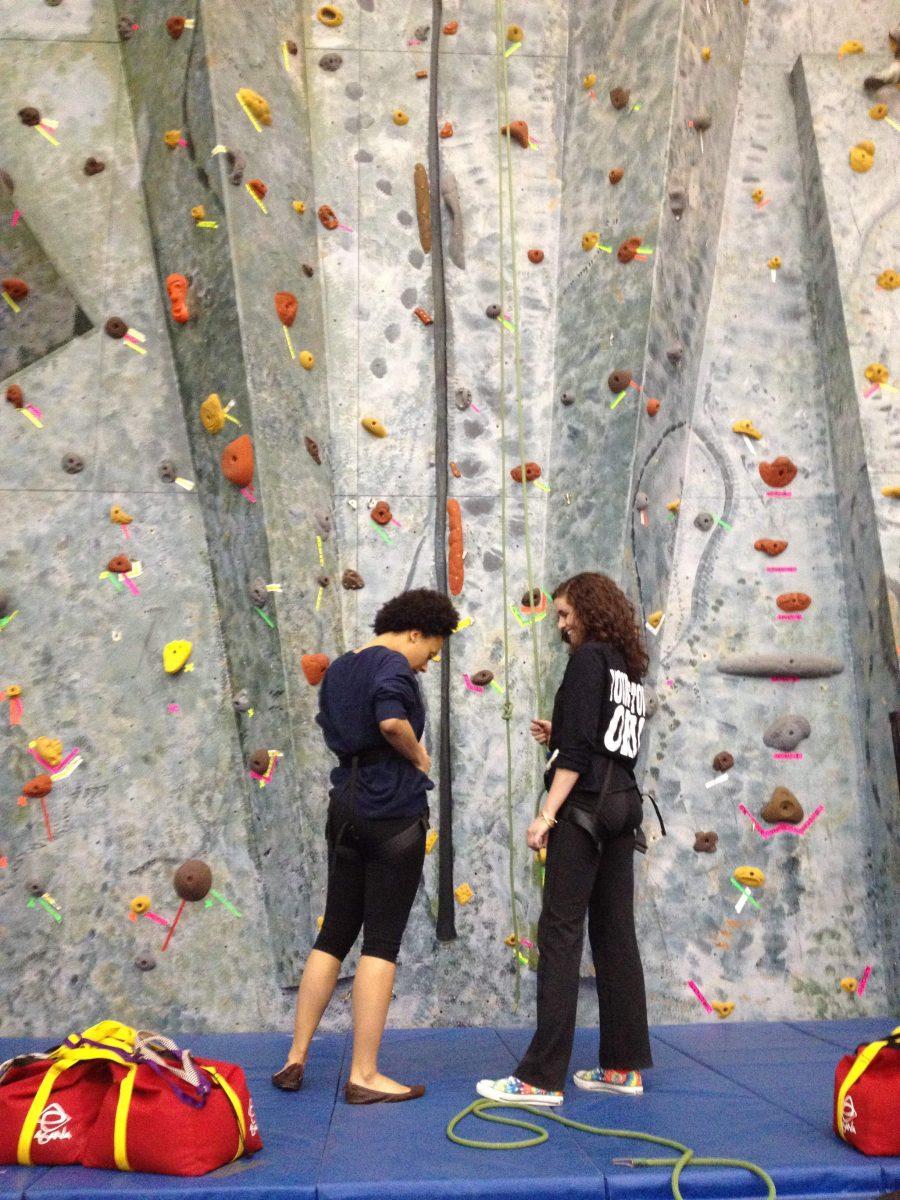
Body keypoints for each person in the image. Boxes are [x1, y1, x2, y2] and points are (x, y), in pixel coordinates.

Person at [272, 587, 459, 1104]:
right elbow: (391, 721)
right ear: (416, 633)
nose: (429, 663)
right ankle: (364, 1074)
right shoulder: (394, 666)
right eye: (432, 650)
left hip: (345, 812)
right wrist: (420, 756)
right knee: (381, 943)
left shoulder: (339, 669)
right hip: (391, 815)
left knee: (332, 934)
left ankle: (295, 1058)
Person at [477, 572, 655, 1106]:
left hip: (585, 809)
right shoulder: (629, 668)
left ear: (589, 610)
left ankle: (540, 1077)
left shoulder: (587, 660)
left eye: (564, 613)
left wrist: (546, 815)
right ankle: (624, 1066)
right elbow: (610, 741)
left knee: (559, 934)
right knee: (615, 934)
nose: (561, 624)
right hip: (624, 804)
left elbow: (577, 757)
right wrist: (561, 732)